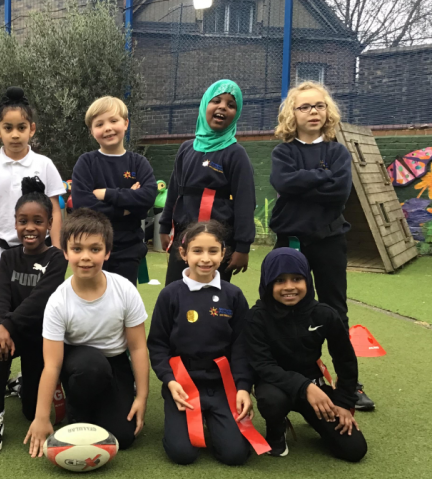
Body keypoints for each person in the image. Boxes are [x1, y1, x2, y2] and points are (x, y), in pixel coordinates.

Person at [269, 81, 373, 411]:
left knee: (335, 311)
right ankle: (292, 378)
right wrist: (321, 177)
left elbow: (339, 192)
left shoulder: (337, 152)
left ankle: (349, 384)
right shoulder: (283, 152)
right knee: (289, 308)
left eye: (319, 106)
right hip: (291, 244)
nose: (313, 112)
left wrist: (302, 183)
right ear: (292, 113)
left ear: (327, 111)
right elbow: (282, 182)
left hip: (329, 241)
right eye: (305, 107)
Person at [25, 208, 149, 457]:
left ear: (107, 252)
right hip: (79, 364)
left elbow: (137, 348)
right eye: (77, 249)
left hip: (115, 362)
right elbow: (52, 364)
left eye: (95, 249)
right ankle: (78, 412)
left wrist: (142, 397)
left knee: (122, 437)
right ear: (65, 252)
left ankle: (104, 405)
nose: (85, 257)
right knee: (92, 366)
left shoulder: (124, 290)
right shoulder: (58, 301)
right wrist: (41, 417)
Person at [0, 87, 66, 401]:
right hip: (3, 255)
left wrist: (58, 249)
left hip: (40, 254)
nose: (15, 134)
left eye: (21, 127)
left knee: (38, 314)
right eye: (8, 128)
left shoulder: (44, 164)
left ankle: (32, 376)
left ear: (32, 130)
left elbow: (56, 210)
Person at [245, 248, 367, 462]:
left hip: (314, 387)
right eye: (279, 280)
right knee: (271, 400)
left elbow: (345, 359)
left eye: (297, 279)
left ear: (307, 281)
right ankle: (276, 428)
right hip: (276, 385)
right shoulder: (256, 317)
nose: (289, 287)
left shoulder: (325, 314)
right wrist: (304, 387)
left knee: (354, 450)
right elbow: (263, 365)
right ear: (267, 283)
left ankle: (314, 416)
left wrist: (343, 402)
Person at [147, 221, 253, 466]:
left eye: (213, 251)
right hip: (182, 385)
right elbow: (158, 344)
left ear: (223, 254)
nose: (205, 258)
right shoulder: (170, 294)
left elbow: (242, 346)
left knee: (235, 455)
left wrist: (243, 387)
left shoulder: (233, 295)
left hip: (222, 385)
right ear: (183, 253)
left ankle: (216, 422)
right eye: (197, 251)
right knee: (182, 454)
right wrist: (170, 380)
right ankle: (183, 425)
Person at [0, 177, 68, 452]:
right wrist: (0, 327)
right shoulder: (8, 257)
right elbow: (0, 298)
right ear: (15, 223)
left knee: (31, 411)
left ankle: (23, 384)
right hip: (10, 334)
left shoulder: (57, 259)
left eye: (37, 221)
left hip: (42, 337)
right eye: (23, 221)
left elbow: (39, 300)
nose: (30, 227)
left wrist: (6, 324)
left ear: (49, 224)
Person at [159, 80, 256, 286]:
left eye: (231, 105)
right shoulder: (186, 149)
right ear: (204, 105)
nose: (223, 107)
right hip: (184, 240)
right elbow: (174, 191)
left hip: (217, 244)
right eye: (216, 101)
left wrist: (243, 247)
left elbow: (245, 202)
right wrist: (164, 226)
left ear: (236, 114)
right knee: (176, 291)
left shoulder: (236, 154)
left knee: (212, 297)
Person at [71, 96, 156, 286]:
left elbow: (148, 197)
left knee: (123, 303)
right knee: (91, 301)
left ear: (126, 123)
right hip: (92, 249)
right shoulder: (86, 162)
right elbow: (83, 206)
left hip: (129, 251)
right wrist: (126, 208)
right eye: (99, 124)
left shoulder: (138, 162)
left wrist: (106, 194)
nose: (107, 128)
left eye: (113, 120)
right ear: (92, 131)